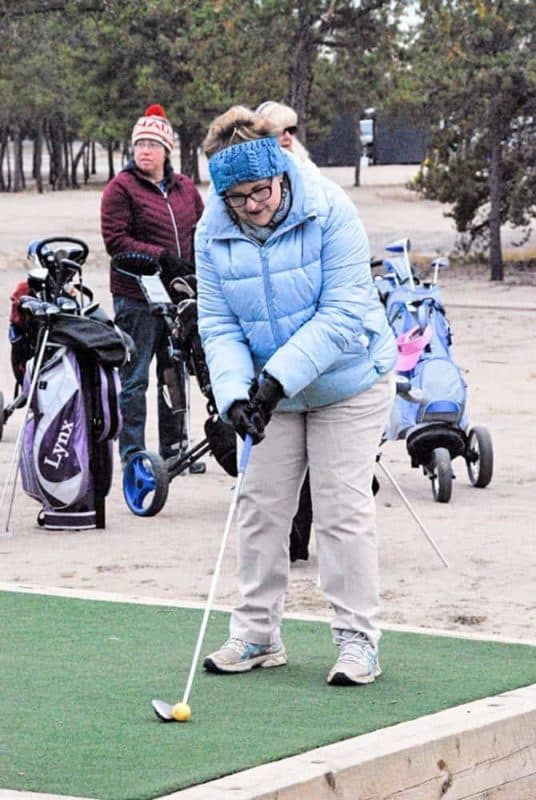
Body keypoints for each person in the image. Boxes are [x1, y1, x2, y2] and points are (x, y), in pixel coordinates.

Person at [195, 106, 396, 686]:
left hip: (348, 379)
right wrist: (236, 397)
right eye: (239, 197)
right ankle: (257, 633)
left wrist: (274, 381)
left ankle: (358, 639)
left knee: (340, 508)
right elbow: (219, 325)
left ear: (280, 171)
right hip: (267, 385)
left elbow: (341, 315)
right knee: (259, 505)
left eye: (262, 190)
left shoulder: (330, 208)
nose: (254, 205)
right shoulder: (213, 230)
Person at [101, 103, 204, 467]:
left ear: (166, 149)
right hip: (135, 297)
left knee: (173, 371)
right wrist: (160, 256)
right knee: (135, 378)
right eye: (139, 143)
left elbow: (201, 231)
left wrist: (193, 268)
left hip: (178, 297)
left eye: (152, 144)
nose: (144, 150)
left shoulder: (185, 188)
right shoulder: (121, 188)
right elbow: (116, 241)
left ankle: (175, 449)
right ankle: (132, 453)